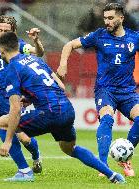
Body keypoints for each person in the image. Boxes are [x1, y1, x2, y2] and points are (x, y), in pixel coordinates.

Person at [0, 31, 126, 184]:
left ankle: (24, 171)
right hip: (66, 110)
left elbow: (15, 108)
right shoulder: (35, 60)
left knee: (2, 123)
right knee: (70, 148)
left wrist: (8, 141)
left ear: (2, 51)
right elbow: (60, 85)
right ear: (18, 46)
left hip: (49, 112)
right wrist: (32, 97)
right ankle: (112, 175)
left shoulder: (12, 69)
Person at [56, 3, 139, 177]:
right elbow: (69, 45)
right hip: (105, 90)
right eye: (105, 18)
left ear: (121, 18)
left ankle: (124, 157)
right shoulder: (99, 36)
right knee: (107, 119)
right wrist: (63, 64)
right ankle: (103, 164)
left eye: (110, 18)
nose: (107, 22)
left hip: (128, 91)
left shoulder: (134, 38)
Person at [0, 15, 45, 174]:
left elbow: (38, 52)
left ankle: (36, 156)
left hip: (12, 99)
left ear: (13, 32)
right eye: (0, 29)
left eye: (7, 30)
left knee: (24, 138)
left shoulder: (20, 47)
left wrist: (36, 41)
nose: (3, 33)